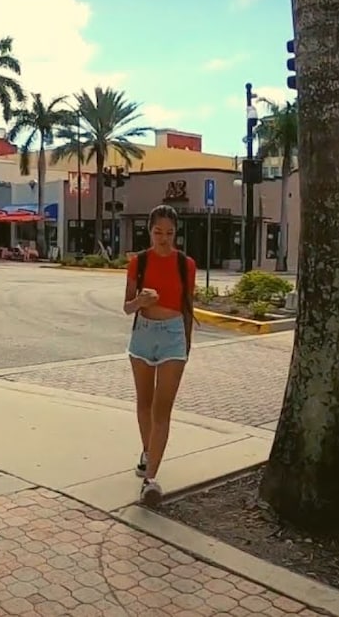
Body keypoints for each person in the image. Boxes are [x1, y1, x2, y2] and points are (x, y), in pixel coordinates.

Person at [123, 204, 196, 506]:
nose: (163, 238)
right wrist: (140, 300)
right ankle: (147, 450)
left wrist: (187, 345)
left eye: (169, 233)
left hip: (173, 335)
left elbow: (189, 307)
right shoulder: (138, 262)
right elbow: (127, 307)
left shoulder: (186, 264)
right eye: (157, 232)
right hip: (143, 333)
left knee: (162, 410)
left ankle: (150, 479)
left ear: (176, 233)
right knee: (145, 403)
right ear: (149, 231)